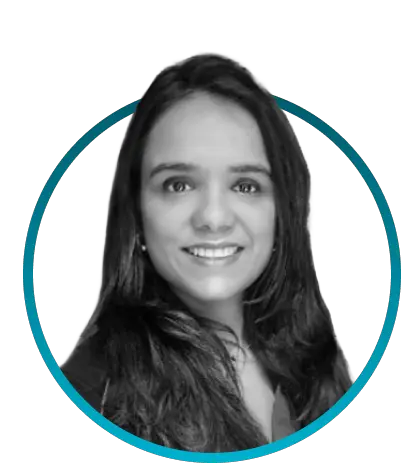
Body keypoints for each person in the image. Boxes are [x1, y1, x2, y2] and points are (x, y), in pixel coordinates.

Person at [61, 53, 352, 453]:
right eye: (178, 185)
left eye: (246, 186)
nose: (214, 218)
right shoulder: (91, 397)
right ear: (138, 215)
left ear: (281, 213)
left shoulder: (315, 358)